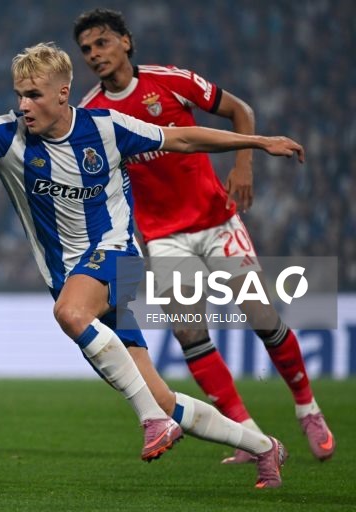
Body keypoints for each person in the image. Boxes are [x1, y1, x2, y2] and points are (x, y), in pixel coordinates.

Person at [0, 42, 304, 488]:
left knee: (69, 314)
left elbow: (183, 137)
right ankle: (264, 446)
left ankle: (150, 422)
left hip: (117, 256)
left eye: (35, 94)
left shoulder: (106, 127)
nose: (24, 105)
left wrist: (256, 141)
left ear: (63, 93)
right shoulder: (5, 136)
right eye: (20, 94)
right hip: (70, 278)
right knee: (162, 397)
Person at [73, 8, 334, 464]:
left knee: (261, 316)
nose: (95, 54)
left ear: (126, 42)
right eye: (88, 49)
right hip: (161, 235)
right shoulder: (92, 112)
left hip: (216, 221)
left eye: (103, 42)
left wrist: (244, 165)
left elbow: (239, 110)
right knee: (189, 331)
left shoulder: (170, 80)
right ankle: (249, 436)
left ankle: (307, 408)